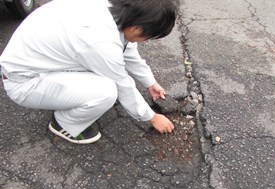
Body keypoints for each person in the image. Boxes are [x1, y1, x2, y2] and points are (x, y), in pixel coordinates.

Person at [0, 0, 177, 144]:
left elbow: (126, 48)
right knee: (107, 91)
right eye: (147, 37)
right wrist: (152, 118)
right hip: (25, 81)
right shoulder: (99, 40)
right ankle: (64, 124)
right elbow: (122, 84)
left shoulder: (112, 11)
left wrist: (150, 82)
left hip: (41, 64)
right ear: (136, 28)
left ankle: (67, 99)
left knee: (103, 73)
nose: (145, 41)